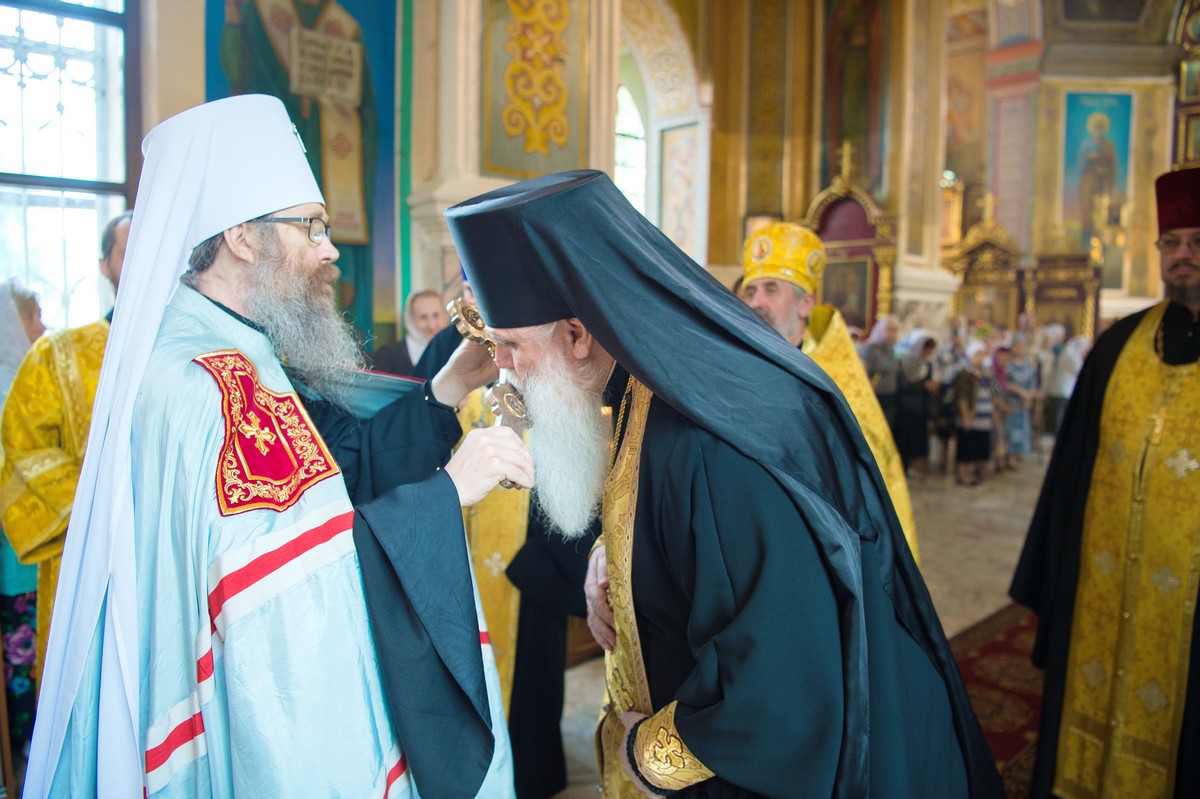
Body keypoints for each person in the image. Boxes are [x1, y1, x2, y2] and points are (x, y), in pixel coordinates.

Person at [22, 95, 532, 798]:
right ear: (241, 236)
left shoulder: (230, 345)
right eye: (311, 226)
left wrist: (444, 389)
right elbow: (288, 596)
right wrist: (445, 494)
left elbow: (340, 464)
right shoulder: (219, 379)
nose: (330, 249)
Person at [445, 170, 1003, 798]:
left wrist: (647, 756)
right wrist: (612, 558)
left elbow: (782, 679)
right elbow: (677, 527)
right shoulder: (639, 384)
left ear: (577, 334)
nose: (503, 368)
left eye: (510, 346)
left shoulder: (707, 439)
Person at [1011, 166, 1200, 798]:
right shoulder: (1118, 346)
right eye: (1171, 243)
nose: (1182, 255)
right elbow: (1069, 478)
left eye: (1197, 241)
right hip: (1101, 583)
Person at [0, 211, 130, 686]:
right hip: (91, 557)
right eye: (128, 251)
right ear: (104, 266)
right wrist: (104, 511)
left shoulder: (208, 353)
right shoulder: (61, 355)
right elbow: (23, 447)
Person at [740, 222, 917, 560]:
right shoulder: (735, 364)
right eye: (750, 292)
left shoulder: (835, 375)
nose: (756, 302)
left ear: (805, 304)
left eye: (771, 290)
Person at [0, 281, 44, 756]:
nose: (41, 327)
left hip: (29, 553)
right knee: (23, 661)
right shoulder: (10, 391)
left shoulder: (23, 381)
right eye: (33, 318)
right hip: (19, 557)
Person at [372, 289, 450, 375]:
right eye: (423, 317)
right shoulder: (386, 357)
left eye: (436, 315)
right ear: (410, 320)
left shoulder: (455, 351)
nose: (431, 325)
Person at [897, 335, 937, 478]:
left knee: (917, 440)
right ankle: (903, 468)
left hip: (921, 408)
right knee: (905, 439)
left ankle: (914, 468)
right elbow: (903, 385)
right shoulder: (905, 363)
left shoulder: (927, 365)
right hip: (906, 408)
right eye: (926, 348)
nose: (927, 352)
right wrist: (922, 385)